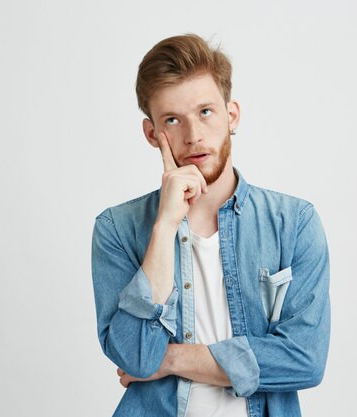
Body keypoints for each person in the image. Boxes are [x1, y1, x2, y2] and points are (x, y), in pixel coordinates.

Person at [91, 33, 330, 417]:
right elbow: (135, 355)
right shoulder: (117, 229)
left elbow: (304, 359)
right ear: (153, 134)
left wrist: (169, 361)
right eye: (173, 120)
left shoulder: (294, 223)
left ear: (231, 115)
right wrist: (166, 226)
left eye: (206, 112)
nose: (194, 136)